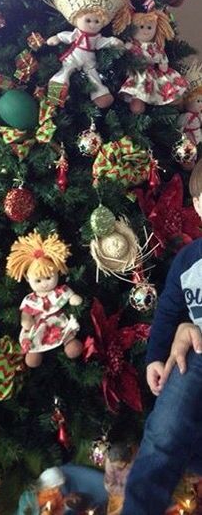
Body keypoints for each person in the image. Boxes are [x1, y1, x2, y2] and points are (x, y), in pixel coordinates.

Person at [122, 158, 202, 515]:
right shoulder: (187, 261)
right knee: (164, 429)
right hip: (195, 355)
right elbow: (168, 314)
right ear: (199, 205)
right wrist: (155, 356)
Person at [104, 440, 136, 515]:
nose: (117, 468)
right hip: (119, 492)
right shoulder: (110, 463)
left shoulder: (136, 460)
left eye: (121, 465)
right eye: (115, 466)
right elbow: (109, 485)